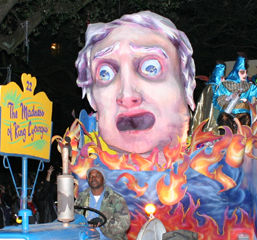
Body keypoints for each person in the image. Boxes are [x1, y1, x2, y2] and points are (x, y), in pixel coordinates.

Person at [75, 11, 196, 157]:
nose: (127, 96)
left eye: (151, 68)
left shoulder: (219, 174)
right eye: (105, 73)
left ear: (186, 85)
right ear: (93, 101)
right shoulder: (86, 176)